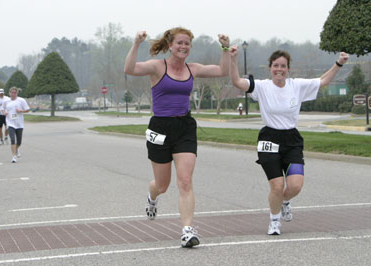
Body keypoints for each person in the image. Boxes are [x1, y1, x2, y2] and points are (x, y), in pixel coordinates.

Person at [124, 27, 230, 247]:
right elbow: (130, 68)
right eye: (179, 43)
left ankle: (187, 231)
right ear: (170, 45)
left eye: (187, 44)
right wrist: (136, 43)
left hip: (184, 127)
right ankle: (152, 197)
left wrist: (225, 48)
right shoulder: (157, 67)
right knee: (162, 185)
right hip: (160, 127)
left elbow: (222, 70)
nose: (183, 47)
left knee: (185, 181)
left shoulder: (193, 68)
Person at [229, 47, 349, 235]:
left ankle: (284, 201)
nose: (279, 69)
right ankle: (274, 221)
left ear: (288, 69)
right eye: (276, 65)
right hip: (269, 138)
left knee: (295, 186)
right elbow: (236, 81)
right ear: (270, 67)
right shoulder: (261, 87)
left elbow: (323, 81)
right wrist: (233, 58)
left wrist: (339, 63)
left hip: (292, 139)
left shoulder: (297, 85)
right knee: (277, 186)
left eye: (283, 66)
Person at [3, 87, 30, 163]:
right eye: (12, 93)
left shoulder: (21, 100)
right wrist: (4, 112)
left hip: (19, 123)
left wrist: (20, 111)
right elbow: (3, 108)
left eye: (15, 93)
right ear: (9, 93)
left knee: (19, 141)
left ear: (17, 93)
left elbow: (27, 109)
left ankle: (17, 148)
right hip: (10, 122)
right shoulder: (6, 101)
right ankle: (14, 156)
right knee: (12, 139)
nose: (13, 94)